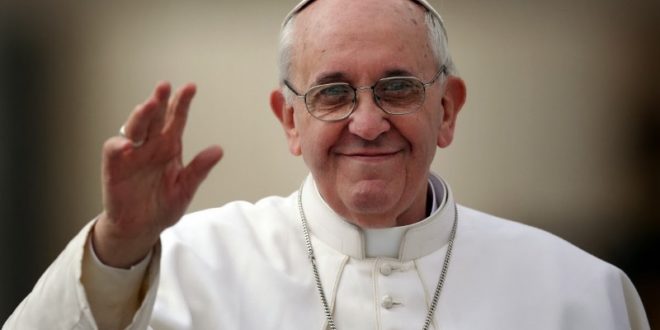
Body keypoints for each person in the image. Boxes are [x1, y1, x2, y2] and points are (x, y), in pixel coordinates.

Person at [4, 0, 650, 329]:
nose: (367, 124)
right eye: (333, 94)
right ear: (291, 121)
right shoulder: (185, 267)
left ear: (447, 109)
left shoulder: (577, 294)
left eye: (397, 88)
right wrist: (118, 247)